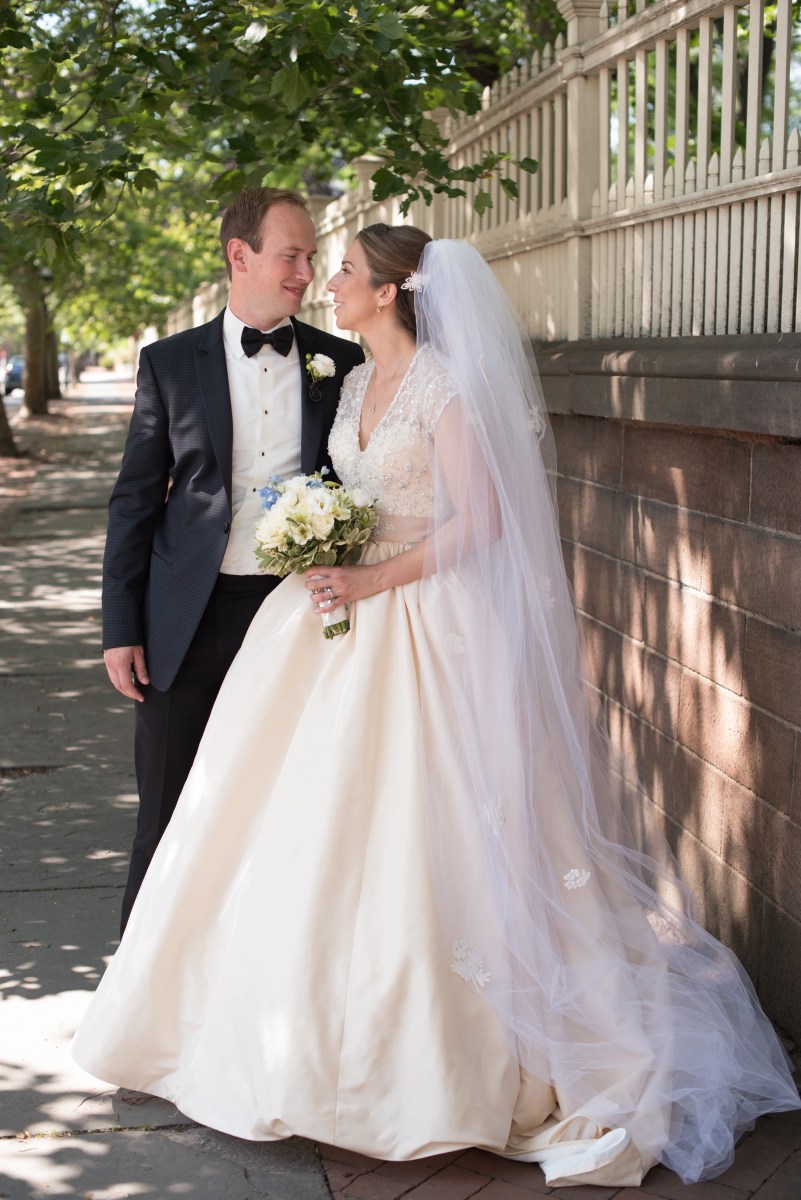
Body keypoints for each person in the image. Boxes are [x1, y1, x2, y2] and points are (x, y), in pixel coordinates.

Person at [74, 225, 799, 1187]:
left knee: (425, 825)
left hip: (419, 620)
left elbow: (484, 521)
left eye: (341, 271)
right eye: (315, 265)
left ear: (388, 291)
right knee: (287, 822)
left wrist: (372, 580)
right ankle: (273, 1033)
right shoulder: (347, 377)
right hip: (330, 622)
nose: (325, 283)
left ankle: (439, 1066)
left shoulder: (445, 389)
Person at [101, 187, 364, 933]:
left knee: (284, 803)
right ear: (238, 255)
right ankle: (139, 987)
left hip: (296, 617)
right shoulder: (168, 364)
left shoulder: (340, 361)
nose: (305, 272)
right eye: (291, 255)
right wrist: (120, 627)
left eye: (312, 257)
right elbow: (134, 501)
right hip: (186, 615)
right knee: (168, 801)